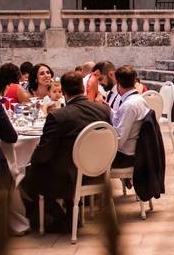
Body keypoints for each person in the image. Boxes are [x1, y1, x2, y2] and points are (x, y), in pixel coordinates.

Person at [20, 71, 111, 231]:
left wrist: (29, 160)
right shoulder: (103, 110)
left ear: (64, 91)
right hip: (97, 171)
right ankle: (70, 213)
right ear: (83, 88)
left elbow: (44, 154)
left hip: (68, 177)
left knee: (24, 175)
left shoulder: (58, 116)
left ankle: (58, 216)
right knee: (64, 161)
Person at [109, 66, 150, 167]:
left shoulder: (129, 106)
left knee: (90, 156)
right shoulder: (139, 99)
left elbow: (119, 141)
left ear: (118, 84)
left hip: (127, 156)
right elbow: (121, 118)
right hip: (134, 150)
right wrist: (108, 110)